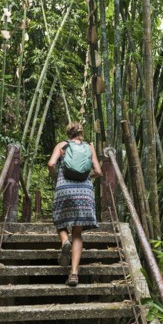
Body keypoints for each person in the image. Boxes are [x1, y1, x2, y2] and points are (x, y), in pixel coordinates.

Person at [47, 122, 102, 286]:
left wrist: (56, 177)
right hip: (84, 191)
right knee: (78, 232)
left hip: (65, 188)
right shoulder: (88, 147)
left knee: (60, 220)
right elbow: (98, 171)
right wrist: (88, 178)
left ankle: (64, 241)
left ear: (68, 133)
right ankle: (74, 274)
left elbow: (51, 164)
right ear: (81, 133)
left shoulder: (62, 145)